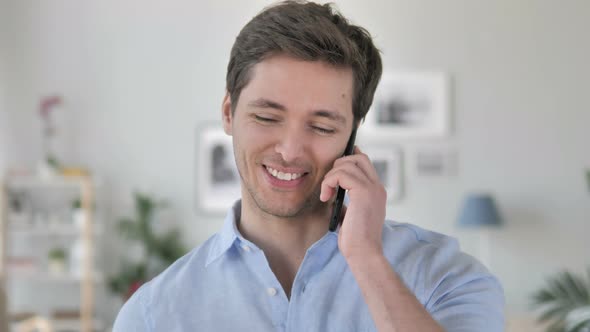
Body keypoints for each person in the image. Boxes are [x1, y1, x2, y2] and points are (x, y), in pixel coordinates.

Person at [113, 1, 504, 331]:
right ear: (229, 113)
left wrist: (366, 258)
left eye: (321, 126)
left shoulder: (446, 279)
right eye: (267, 117)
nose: (290, 150)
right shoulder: (152, 316)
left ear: (352, 137)